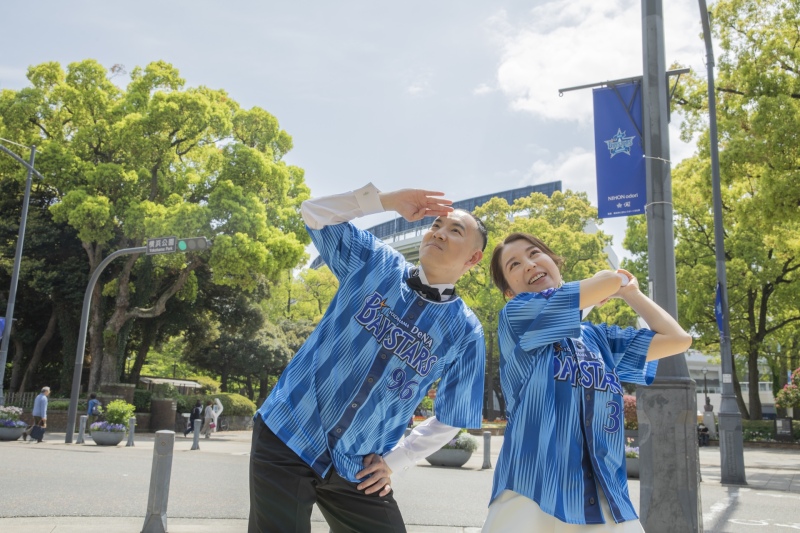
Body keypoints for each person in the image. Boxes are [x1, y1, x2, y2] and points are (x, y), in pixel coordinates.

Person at [249, 183, 488, 533]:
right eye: (435, 225)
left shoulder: (466, 332)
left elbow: (454, 415)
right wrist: (385, 201)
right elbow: (313, 213)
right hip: (288, 432)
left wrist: (399, 459)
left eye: (455, 230)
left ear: (473, 258)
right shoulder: (375, 262)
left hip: (358, 467)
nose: (439, 232)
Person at [483, 233, 693, 532]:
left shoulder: (598, 338)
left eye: (534, 254)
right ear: (508, 290)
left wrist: (631, 293)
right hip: (532, 495)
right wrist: (609, 283)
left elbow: (678, 339)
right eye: (514, 264)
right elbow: (606, 282)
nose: (529, 265)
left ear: (555, 263)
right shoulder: (516, 316)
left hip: (607, 498)